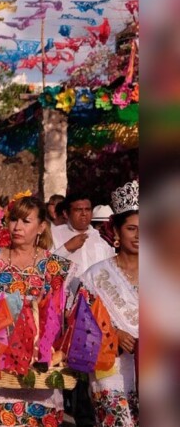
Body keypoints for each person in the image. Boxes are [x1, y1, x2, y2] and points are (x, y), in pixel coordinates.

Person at [0, 196, 77, 426]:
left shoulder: (56, 268)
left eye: (26, 221)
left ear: (41, 227)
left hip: (41, 368)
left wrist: (63, 354)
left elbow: (69, 320)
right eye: (13, 219)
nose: (17, 227)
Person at [73, 181, 139, 426]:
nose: (140, 235)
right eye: (132, 228)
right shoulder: (94, 275)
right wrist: (113, 333)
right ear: (118, 232)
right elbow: (80, 325)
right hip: (110, 372)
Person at [51, 193, 116, 275]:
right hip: (65, 287)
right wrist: (66, 248)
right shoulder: (54, 234)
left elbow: (112, 268)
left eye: (87, 209)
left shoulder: (101, 237)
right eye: (78, 210)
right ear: (66, 214)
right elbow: (46, 268)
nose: (84, 213)